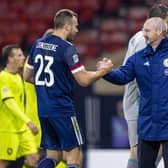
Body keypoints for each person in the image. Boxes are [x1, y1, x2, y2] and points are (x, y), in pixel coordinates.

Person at [23, 9, 112, 168]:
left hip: (43, 109)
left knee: (53, 155)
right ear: (67, 27)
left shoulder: (38, 43)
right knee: (74, 156)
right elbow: (83, 80)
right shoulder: (67, 48)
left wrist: (47, 86)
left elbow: (27, 76)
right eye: (75, 26)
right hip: (62, 109)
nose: (77, 30)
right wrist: (103, 71)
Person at [97, 17, 168, 168]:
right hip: (147, 125)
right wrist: (106, 72)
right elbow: (123, 76)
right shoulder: (139, 58)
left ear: (159, 31)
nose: (143, 34)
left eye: (147, 30)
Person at [122, 4, 168, 168]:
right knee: (138, 149)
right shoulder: (145, 39)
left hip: (142, 103)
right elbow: (146, 73)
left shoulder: (140, 37)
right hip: (140, 103)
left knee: (158, 147)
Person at [0, 44, 39, 168]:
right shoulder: (3, 78)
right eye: (19, 55)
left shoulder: (18, 76)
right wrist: (28, 121)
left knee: (34, 158)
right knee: (3, 162)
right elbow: (10, 103)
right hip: (8, 129)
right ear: (10, 59)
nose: (23, 58)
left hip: (22, 129)